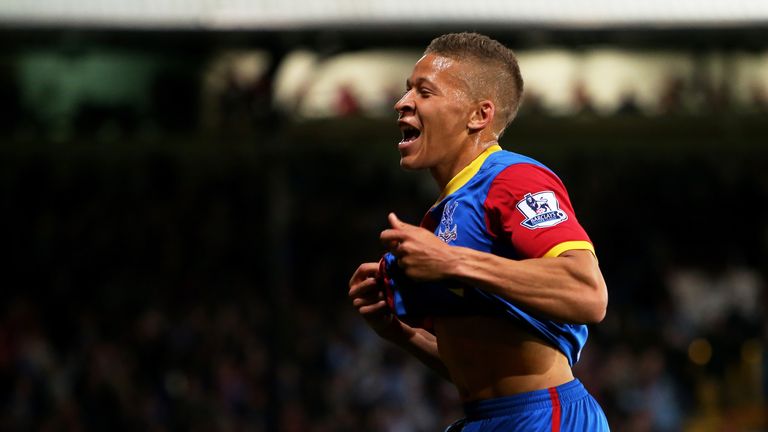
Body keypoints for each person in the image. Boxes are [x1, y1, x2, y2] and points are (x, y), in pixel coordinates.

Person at [348, 32, 610, 431]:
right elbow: (480, 373)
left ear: (478, 115)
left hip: (546, 417)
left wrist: (452, 261)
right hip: (485, 419)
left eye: (425, 92)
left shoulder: (514, 179)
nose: (402, 103)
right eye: (406, 91)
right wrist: (399, 333)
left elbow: (588, 293)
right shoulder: (440, 217)